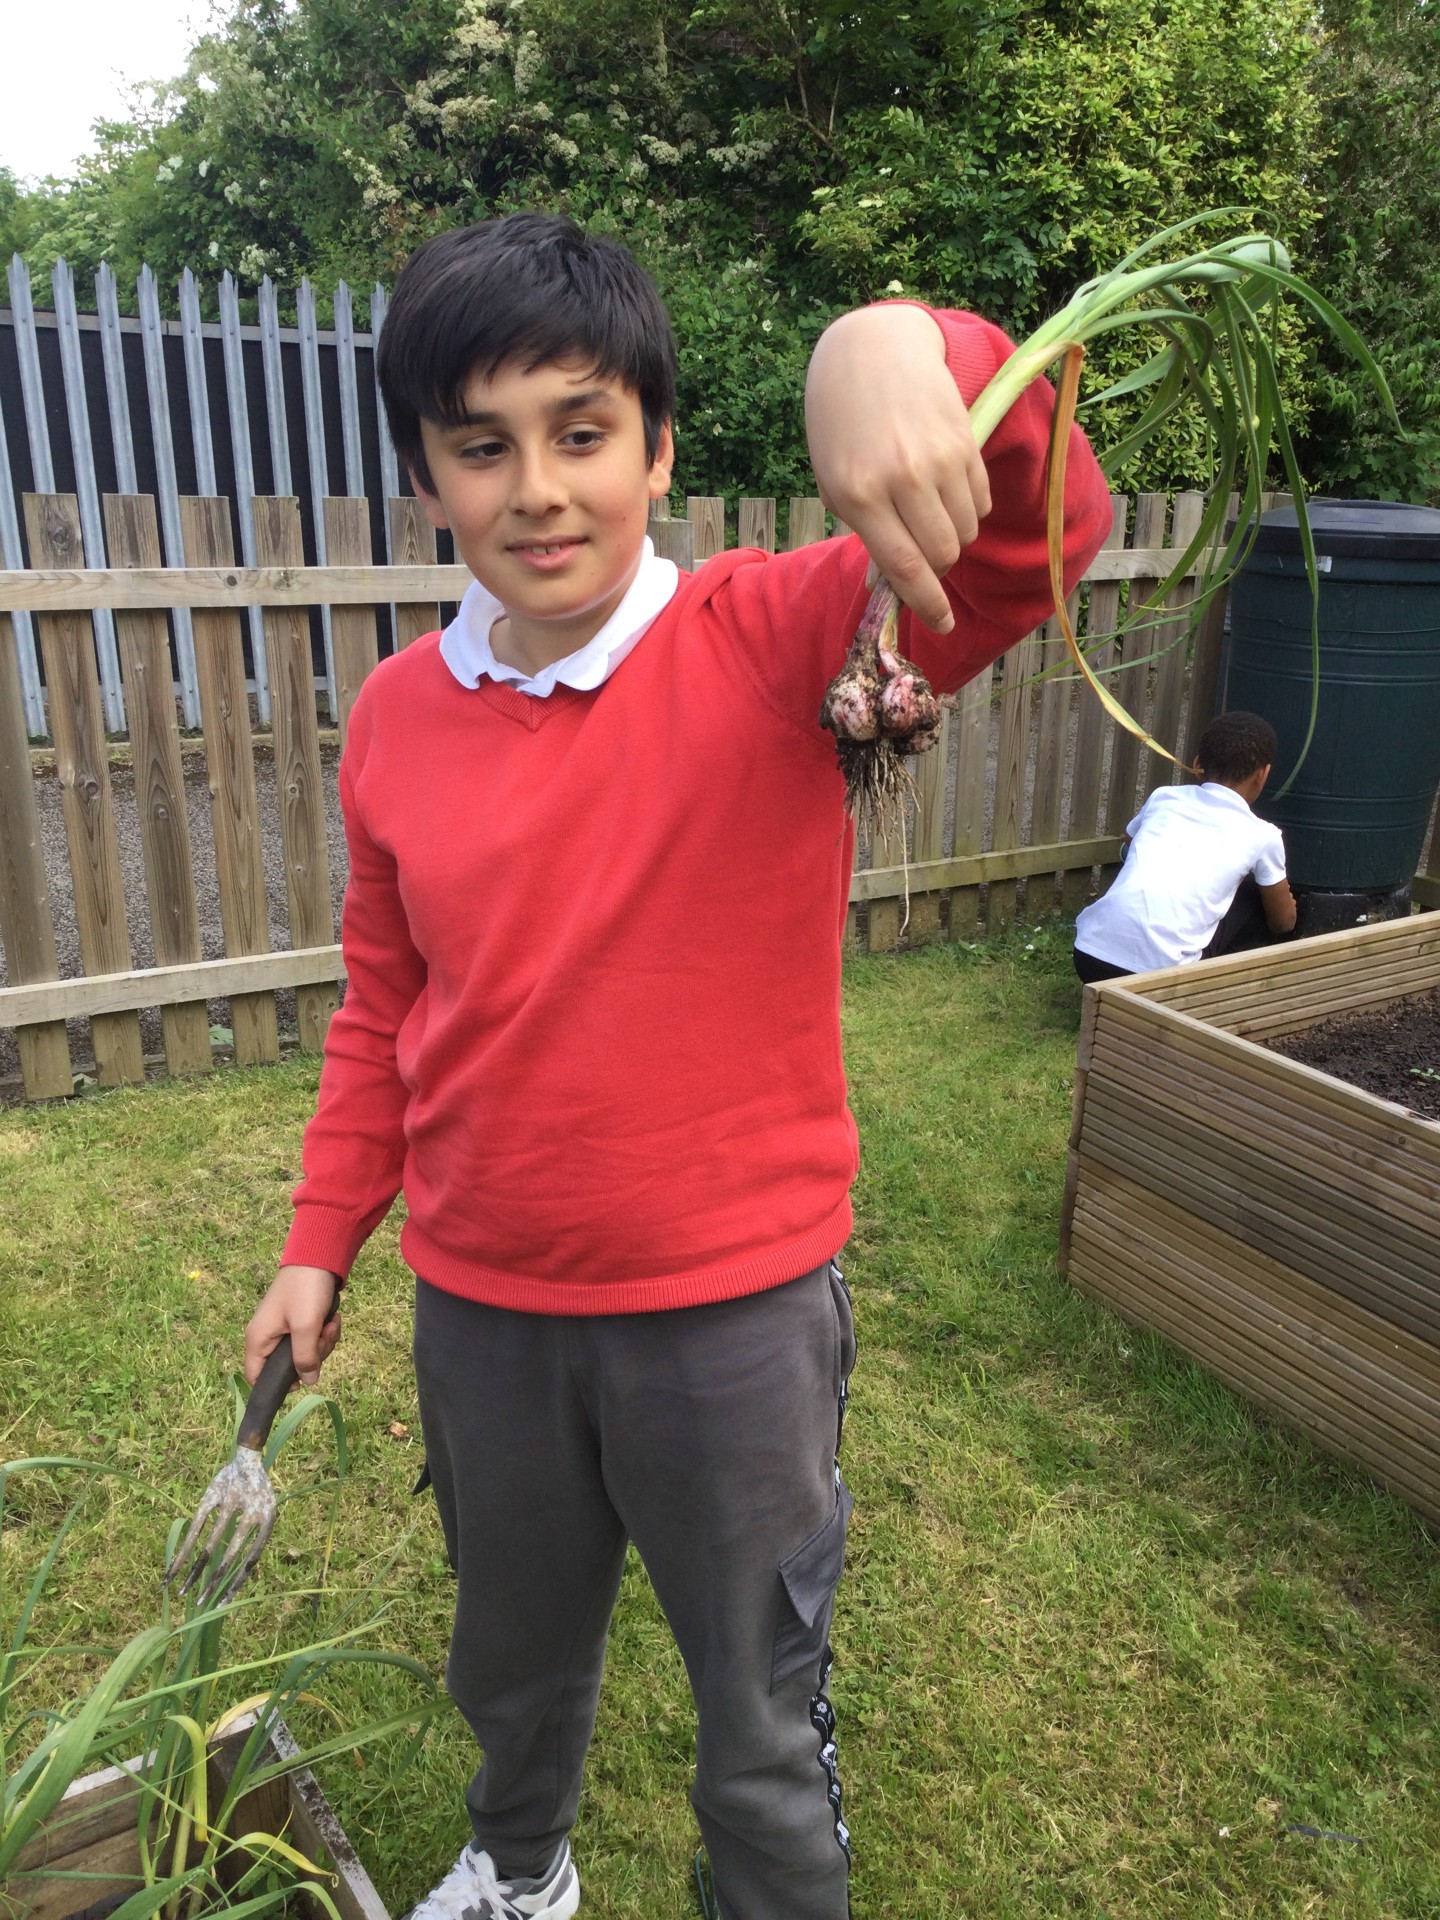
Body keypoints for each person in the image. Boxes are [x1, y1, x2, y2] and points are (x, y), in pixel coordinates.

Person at [241, 211, 1112, 1920]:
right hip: (486, 1300)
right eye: (482, 448)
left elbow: (1043, 535)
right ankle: (518, 1865)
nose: (539, 490)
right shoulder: (402, 714)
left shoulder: (778, 641)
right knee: (508, 1641)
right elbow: (380, 1007)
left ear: (658, 448)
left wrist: (891, 343)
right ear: (426, 477)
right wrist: (318, 1239)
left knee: (758, 1701)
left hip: (731, 1317)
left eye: (583, 433)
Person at [1072, 709, 1298, 983]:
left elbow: (1128, 845)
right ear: (1263, 775)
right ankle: (1229, 987)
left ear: (1198, 762)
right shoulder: (1263, 835)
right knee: (1254, 892)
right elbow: (1284, 922)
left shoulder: (1164, 798)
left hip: (1089, 958)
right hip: (1162, 975)